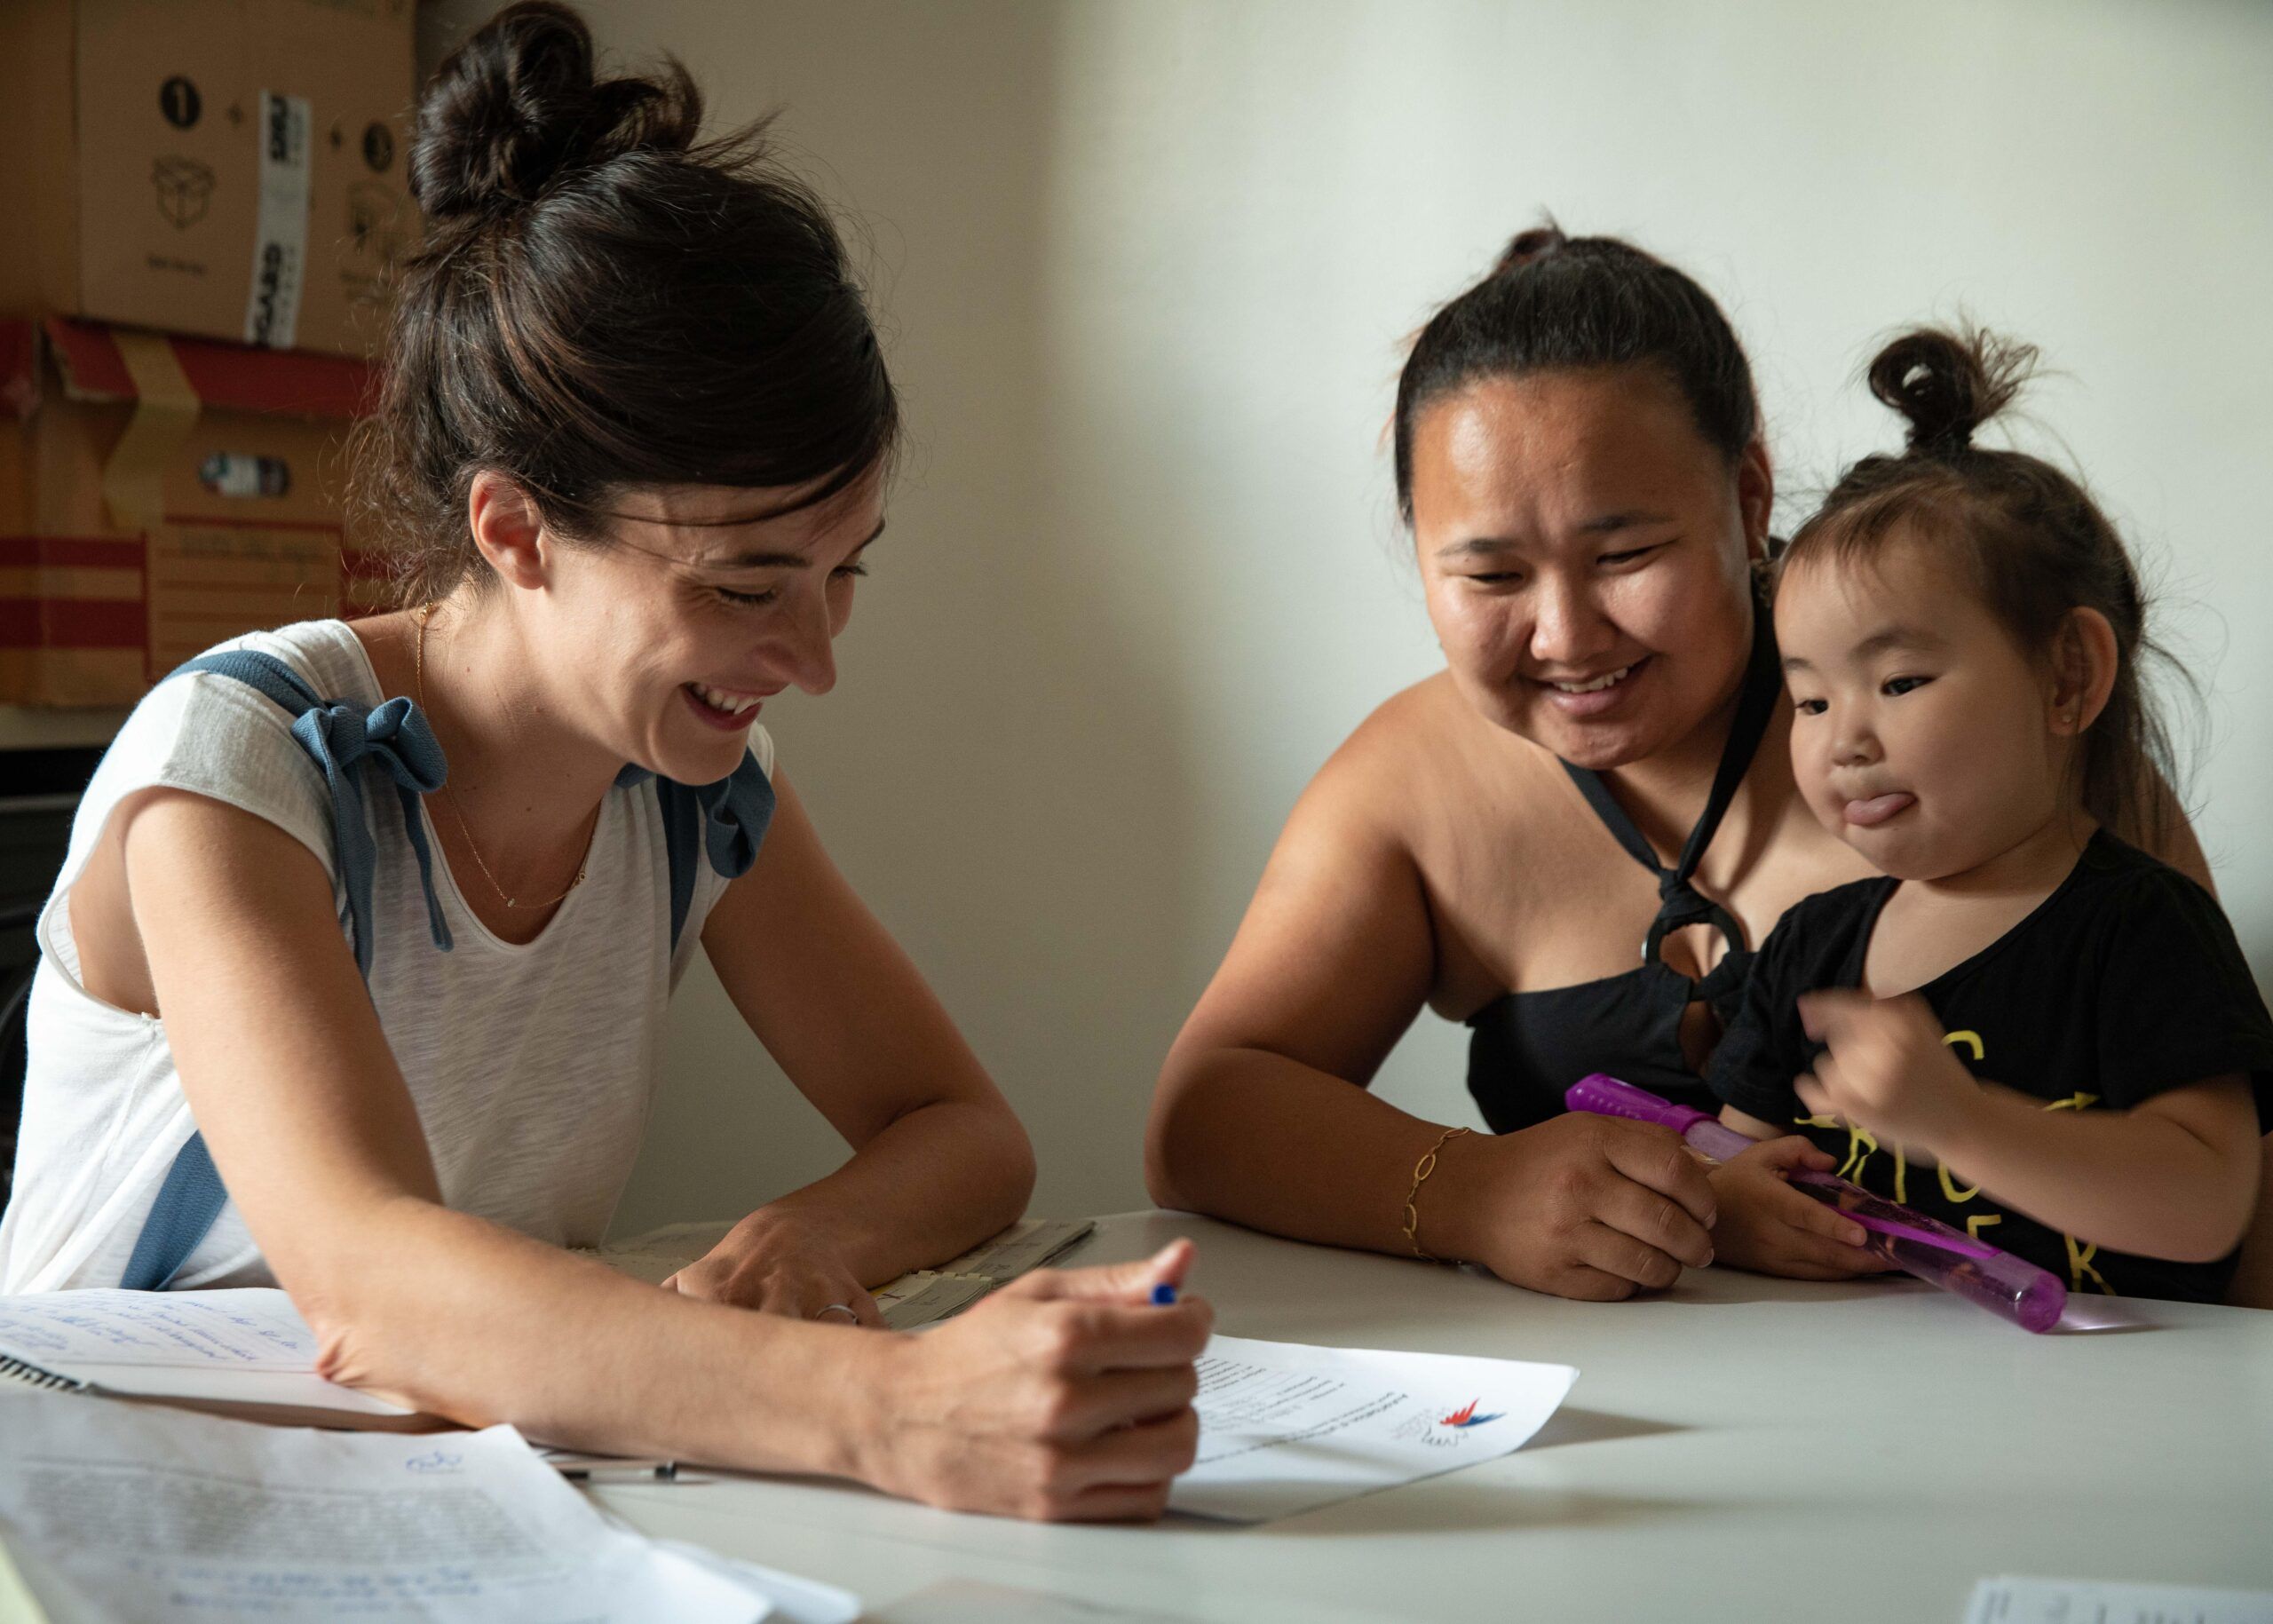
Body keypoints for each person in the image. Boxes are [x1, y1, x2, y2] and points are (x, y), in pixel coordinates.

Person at [0, 2, 1208, 1521]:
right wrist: (890, 1409)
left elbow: (962, 1134)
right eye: (746, 586)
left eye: (843, 571)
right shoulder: (241, 770)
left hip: (453, 1493)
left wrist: (810, 1234)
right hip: (104, 1514)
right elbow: (371, 1286)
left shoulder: (696, 789)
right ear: (516, 531)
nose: (814, 658)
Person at [1144, 227, 2214, 1301]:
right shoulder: (1414, 780)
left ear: (1749, 498)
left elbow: (2240, 1168)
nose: (1565, 636)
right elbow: (1204, 1116)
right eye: (1491, 575)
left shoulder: (1980, 727)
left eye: (1624, 555)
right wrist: (1472, 1189)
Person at [1703, 327, 2272, 1302]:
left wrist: (1960, 1121)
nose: (1843, 739)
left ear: (2068, 677)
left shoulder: (2142, 929)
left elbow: (2209, 1201)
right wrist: (1733, 1208)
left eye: (1899, 680)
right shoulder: (1810, 947)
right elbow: (1734, 1157)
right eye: (1810, 699)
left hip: (2119, 1389)